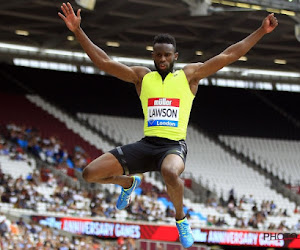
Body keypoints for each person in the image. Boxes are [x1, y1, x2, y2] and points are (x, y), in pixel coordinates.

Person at [58, 3, 278, 248]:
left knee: (171, 172)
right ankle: (127, 183)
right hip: (146, 145)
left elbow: (228, 55)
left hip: (173, 147)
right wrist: (78, 31)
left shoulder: (189, 76)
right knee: (90, 174)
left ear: (175, 57)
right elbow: (105, 62)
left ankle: (181, 220)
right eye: (158, 55)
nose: (162, 59)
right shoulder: (142, 77)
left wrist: (260, 31)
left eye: (167, 55)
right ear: (153, 56)